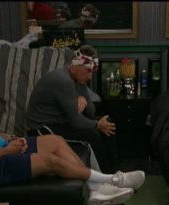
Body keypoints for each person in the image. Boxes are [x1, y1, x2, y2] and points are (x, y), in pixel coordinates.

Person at [0, 54, 145, 205]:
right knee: (52, 161)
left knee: (56, 140)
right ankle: (111, 180)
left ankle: (95, 190)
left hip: (1, 149)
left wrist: (7, 137)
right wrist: (6, 151)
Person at [26, 45, 120, 174]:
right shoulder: (64, 81)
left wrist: (83, 98)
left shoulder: (77, 78)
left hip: (61, 120)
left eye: (92, 72)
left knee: (109, 122)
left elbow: (91, 112)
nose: (90, 77)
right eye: (88, 71)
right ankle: (104, 177)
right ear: (75, 66)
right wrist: (98, 125)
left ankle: (114, 172)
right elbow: (77, 122)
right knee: (93, 135)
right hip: (41, 128)